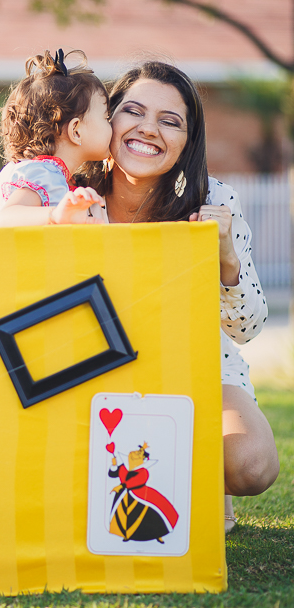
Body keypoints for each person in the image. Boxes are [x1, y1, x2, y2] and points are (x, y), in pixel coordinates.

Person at [77, 60, 280, 531]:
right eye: (133, 112)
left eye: (170, 121)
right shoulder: (71, 192)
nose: (148, 129)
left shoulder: (214, 200)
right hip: (94, 364)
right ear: (107, 119)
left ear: (188, 141)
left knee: (250, 465)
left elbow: (246, 329)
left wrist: (226, 258)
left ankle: (202, 481)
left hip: (196, 364)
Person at [0, 49, 111, 228]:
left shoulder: (32, 170)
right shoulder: (46, 174)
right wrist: (56, 215)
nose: (112, 125)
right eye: (106, 118)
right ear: (76, 131)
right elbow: (6, 217)